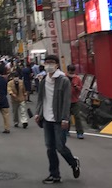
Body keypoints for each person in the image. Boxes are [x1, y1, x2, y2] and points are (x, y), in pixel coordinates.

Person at [34, 54, 80, 185]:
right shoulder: (43, 80)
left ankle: (73, 162)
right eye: (47, 62)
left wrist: (66, 119)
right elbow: (41, 98)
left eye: (51, 63)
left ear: (57, 65)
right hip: (46, 119)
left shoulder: (63, 80)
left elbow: (66, 101)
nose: (48, 65)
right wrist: (38, 113)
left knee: (60, 146)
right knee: (50, 147)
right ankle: (54, 175)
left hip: (59, 119)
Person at [66, 65, 84, 139]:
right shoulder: (64, 78)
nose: (72, 73)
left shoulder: (77, 78)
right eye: (70, 71)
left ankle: (80, 132)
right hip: (66, 101)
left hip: (75, 100)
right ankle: (66, 131)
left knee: (77, 117)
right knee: (66, 117)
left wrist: (77, 87)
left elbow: (81, 88)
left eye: (73, 71)